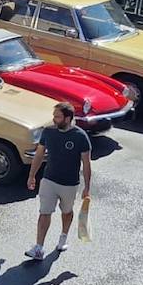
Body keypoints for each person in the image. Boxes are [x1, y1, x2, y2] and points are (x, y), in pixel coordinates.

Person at [25, 102, 91, 260]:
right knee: (44, 212)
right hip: (49, 180)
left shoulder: (80, 136)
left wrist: (87, 187)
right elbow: (40, 154)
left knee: (66, 212)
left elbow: (87, 163)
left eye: (58, 117)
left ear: (67, 118)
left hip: (69, 184)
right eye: (54, 116)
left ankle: (63, 238)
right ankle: (39, 248)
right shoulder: (48, 132)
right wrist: (32, 175)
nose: (54, 119)